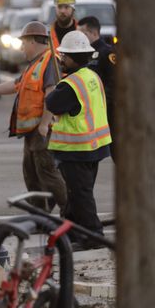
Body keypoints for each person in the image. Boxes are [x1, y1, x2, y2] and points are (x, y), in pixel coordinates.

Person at [0, 21, 67, 212]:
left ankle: (72, 213)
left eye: (23, 43)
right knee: (32, 174)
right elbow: (15, 85)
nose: (22, 48)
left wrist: (44, 124)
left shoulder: (50, 61)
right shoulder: (35, 64)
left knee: (48, 174)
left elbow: (51, 93)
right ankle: (41, 215)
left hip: (42, 131)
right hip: (31, 132)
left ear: (33, 41)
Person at [45, 30, 112, 244]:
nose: (62, 59)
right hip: (95, 147)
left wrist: (58, 86)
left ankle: (94, 236)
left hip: (77, 150)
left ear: (74, 58)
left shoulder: (70, 84)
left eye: (64, 56)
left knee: (81, 196)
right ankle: (72, 233)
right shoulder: (92, 76)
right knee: (76, 195)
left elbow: (52, 103)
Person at [77, 15, 117, 160]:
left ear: (94, 33)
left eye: (83, 33)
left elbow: (115, 83)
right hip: (91, 112)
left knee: (118, 152)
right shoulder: (83, 54)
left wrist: (100, 99)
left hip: (109, 111)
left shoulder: (107, 53)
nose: (79, 37)